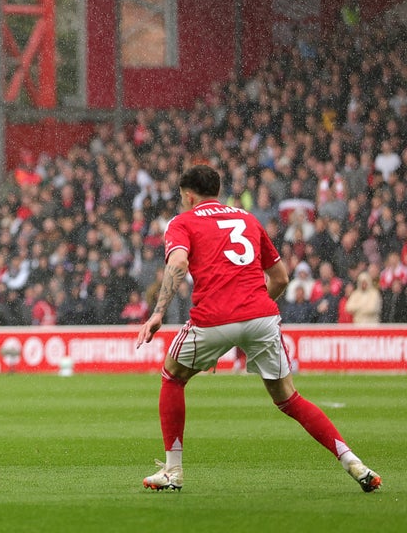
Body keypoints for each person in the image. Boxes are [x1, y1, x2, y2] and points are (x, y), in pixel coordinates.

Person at [135, 165, 381, 493]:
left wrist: (158, 313)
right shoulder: (248, 219)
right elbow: (280, 278)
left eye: (183, 198)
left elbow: (178, 263)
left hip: (212, 318)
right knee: (289, 399)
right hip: (262, 315)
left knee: (172, 376)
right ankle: (353, 462)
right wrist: (249, 312)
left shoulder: (183, 221)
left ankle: (173, 471)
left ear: (189, 195)